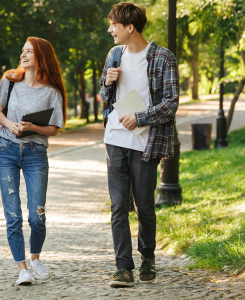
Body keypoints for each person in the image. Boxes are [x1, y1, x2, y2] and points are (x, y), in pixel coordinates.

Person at [100, 2, 179, 287]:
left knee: (144, 204)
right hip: (115, 139)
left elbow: (171, 103)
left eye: (114, 25)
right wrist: (107, 84)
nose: (110, 30)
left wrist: (140, 117)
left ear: (129, 27)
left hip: (146, 141)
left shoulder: (162, 57)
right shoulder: (114, 54)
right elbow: (103, 94)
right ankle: (123, 267)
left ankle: (147, 256)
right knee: (119, 205)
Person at [0, 37, 67, 286]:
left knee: (37, 216)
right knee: (12, 215)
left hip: (36, 154)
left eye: (29, 51)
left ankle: (35, 258)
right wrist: (10, 124)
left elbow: (54, 129)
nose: (23, 54)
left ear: (41, 56)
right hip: (7, 150)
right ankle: (21, 268)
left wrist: (33, 126)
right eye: (22, 50)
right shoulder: (10, 81)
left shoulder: (52, 92)